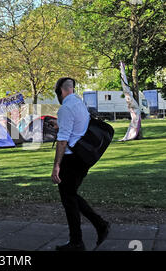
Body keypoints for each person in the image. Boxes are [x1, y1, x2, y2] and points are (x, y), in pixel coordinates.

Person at [51, 77, 110, 251]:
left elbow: (63, 141)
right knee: (71, 196)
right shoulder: (79, 103)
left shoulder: (66, 108)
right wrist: (59, 125)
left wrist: (56, 166)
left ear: (60, 91)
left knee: (69, 198)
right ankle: (96, 228)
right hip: (83, 158)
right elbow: (76, 128)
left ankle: (80, 239)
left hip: (72, 159)